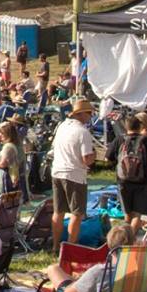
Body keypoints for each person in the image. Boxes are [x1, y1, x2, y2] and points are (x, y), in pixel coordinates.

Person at [50, 99, 96, 246]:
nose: (90, 116)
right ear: (81, 114)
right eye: (89, 113)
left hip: (57, 171)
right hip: (74, 175)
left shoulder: (62, 126)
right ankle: (71, 247)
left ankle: (55, 245)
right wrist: (95, 155)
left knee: (58, 211)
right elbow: (86, 159)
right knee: (77, 213)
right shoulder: (83, 132)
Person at [114, 114, 147, 226]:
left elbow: (107, 157)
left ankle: (126, 234)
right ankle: (130, 237)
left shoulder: (120, 139)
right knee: (139, 214)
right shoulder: (146, 139)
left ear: (126, 126)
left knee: (127, 214)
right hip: (143, 181)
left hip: (123, 181)